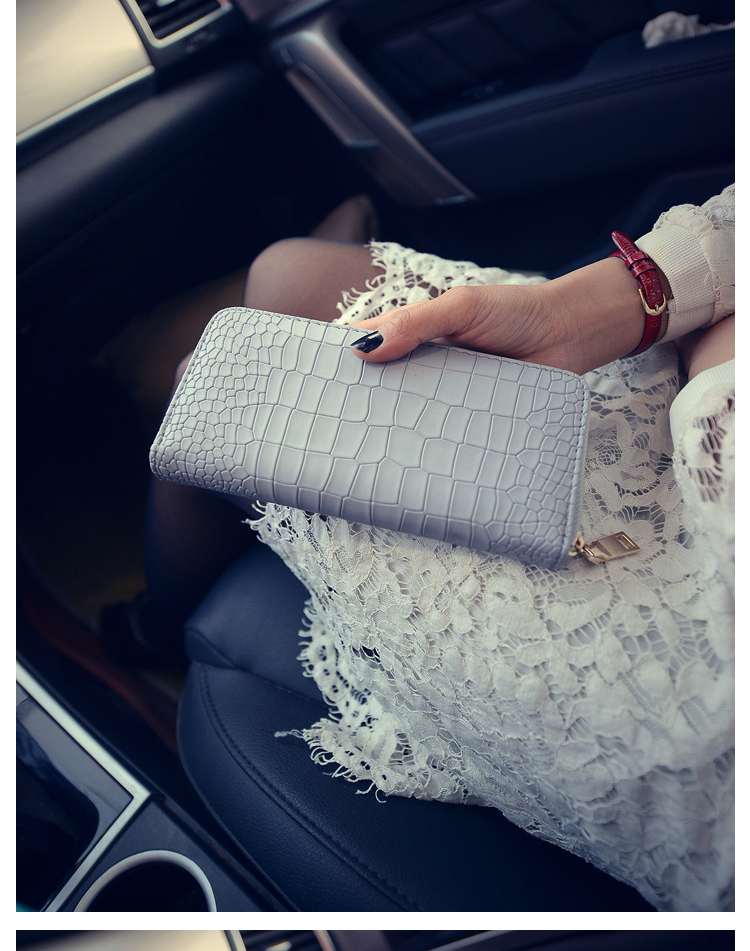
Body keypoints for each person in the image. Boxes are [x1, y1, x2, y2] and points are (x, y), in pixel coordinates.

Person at [106, 182, 734, 911]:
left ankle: (155, 624)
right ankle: (158, 608)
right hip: (688, 383)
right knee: (282, 280)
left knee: (205, 391)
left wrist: (698, 331)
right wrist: (600, 307)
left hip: (689, 664)